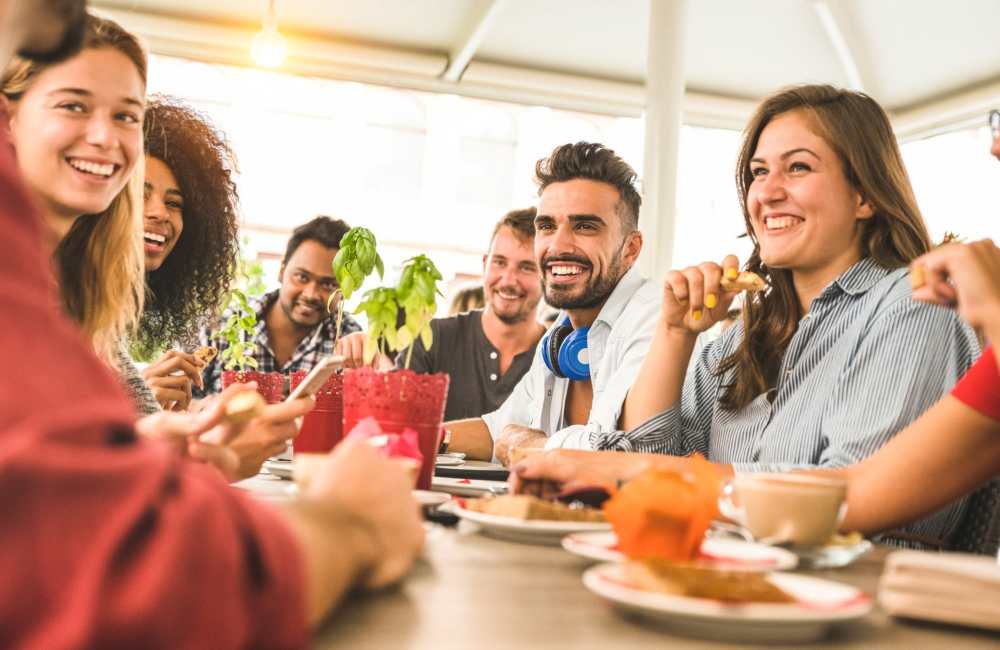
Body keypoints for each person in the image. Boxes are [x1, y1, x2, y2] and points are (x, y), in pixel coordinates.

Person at [0, 6, 422, 647]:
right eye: (72, 105)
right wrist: (351, 522)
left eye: (126, 117)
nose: (106, 139)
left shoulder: (73, 297)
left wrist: (156, 452)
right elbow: (147, 591)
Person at [516, 85, 982, 546]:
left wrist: (615, 469)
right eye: (759, 172)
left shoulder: (912, 306)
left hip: (854, 598)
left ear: (865, 195)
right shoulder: (743, 335)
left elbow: (845, 499)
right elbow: (648, 456)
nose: (768, 192)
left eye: (798, 167)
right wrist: (675, 333)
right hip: (725, 587)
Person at [447, 142, 661, 463]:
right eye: (546, 226)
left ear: (630, 248)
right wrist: (403, 437)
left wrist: (528, 444)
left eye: (585, 226)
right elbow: (498, 433)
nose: (558, 245)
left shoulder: (655, 317)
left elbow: (618, 451)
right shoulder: (559, 336)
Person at [134, 95, 241, 412]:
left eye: (174, 203)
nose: (160, 213)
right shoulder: (61, 296)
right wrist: (139, 402)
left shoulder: (140, 312)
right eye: (142, 194)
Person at [398, 207, 545, 421]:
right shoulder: (435, 338)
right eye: (500, 262)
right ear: (485, 265)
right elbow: (393, 419)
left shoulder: (555, 358)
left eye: (526, 267)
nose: (508, 280)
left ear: (547, 275)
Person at [196, 216, 366, 397]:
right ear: (282, 271)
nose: (311, 294)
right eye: (302, 277)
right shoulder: (222, 325)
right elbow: (176, 403)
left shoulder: (347, 335)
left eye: (329, 285)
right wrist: (207, 409)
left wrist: (367, 355)